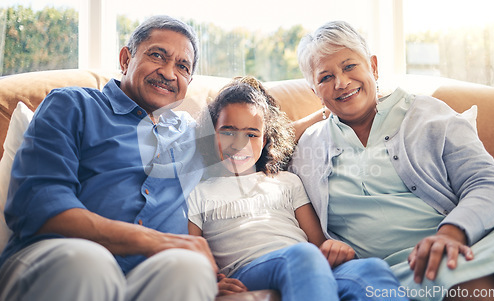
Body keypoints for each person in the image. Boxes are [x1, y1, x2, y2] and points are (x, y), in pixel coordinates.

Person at [0, 15, 219, 301]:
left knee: (190, 268)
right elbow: (38, 202)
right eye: (157, 55)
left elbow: (264, 138)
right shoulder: (73, 105)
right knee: (89, 262)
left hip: (149, 274)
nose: (168, 72)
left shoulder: (194, 135)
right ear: (126, 59)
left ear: (189, 80)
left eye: (182, 66)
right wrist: (155, 241)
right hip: (59, 256)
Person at [290, 20, 494, 301]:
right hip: (374, 276)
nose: (341, 82)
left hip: (458, 245)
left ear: (373, 67)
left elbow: (487, 183)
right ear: (313, 90)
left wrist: (452, 233)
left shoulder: (428, 114)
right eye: (325, 78)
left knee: (466, 284)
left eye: (349, 66)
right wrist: (315, 118)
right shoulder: (308, 144)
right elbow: (230, 148)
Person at [188, 76, 408, 300]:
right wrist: (210, 281)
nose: (239, 143)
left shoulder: (287, 181)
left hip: (308, 265)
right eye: (227, 132)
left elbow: (318, 242)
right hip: (248, 270)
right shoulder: (198, 191)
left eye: (251, 134)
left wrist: (335, 248)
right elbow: (190, 251)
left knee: (371, 269)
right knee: (303, 255)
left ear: (264, 141)